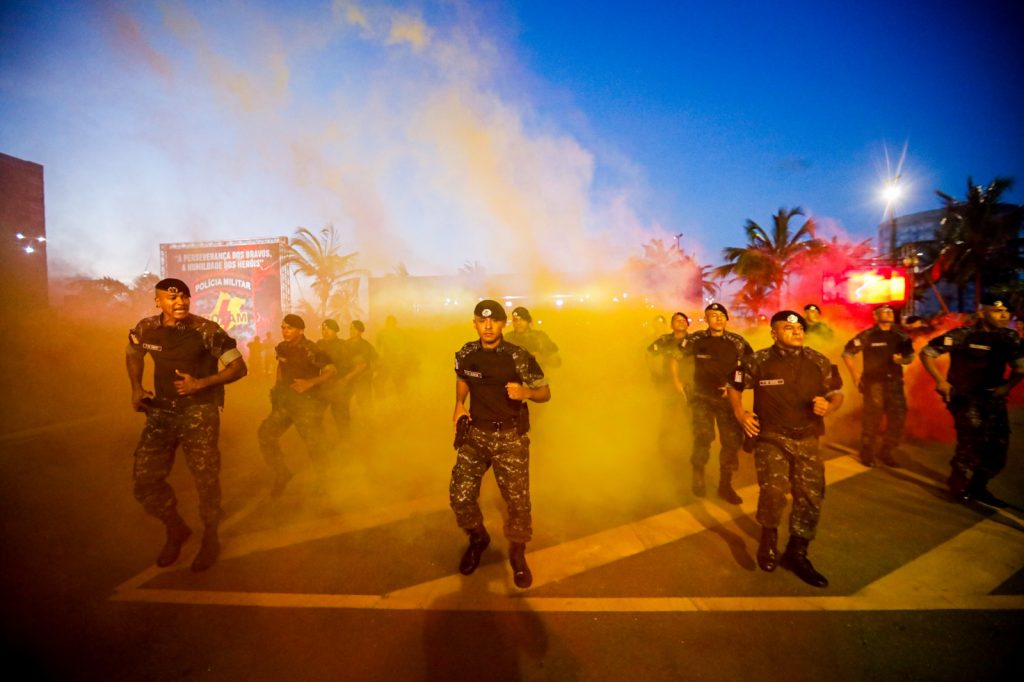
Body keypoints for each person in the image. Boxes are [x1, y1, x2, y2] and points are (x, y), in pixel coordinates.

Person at [126, 278, 247, 572]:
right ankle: (176, 528)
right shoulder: (145, 328)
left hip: (199, 412)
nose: (179, 303)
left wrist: (201, 383)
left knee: (205, 480)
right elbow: (133, 352)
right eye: (171, 298)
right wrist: (136, 387)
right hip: (162, 413)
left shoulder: (207, 331)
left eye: (183, 298)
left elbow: (239, 367)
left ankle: (211, 537)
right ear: (158, 302)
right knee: (144, 481)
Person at [728, 310, 844, 588]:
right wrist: (741, 414)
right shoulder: (757, 360)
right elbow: (734, 386)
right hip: (772, 436)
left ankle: (797, 552)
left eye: (800, 328)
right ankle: (768, 540)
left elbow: (837, 393)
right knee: (774, 490)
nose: (796, 331)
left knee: (811, 496)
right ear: (774, 333)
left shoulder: (818, 360)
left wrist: (829, 406)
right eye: (788, 327)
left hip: (808, 438)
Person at [450, 300, 550, 589]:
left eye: (494, 320)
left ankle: (518, 552)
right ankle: (478, 538)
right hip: (476, 436)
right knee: (460, 497)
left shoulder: (518, 356)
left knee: (518, 503)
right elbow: (463, 379)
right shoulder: (466, 353)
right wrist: (459, 404)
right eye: (482, 321)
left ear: (503, 324)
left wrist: (526, 392)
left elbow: (545, 392)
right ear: (475, 324)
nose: (488, 326)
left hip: (510, 438)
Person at [919, 295, 1024, 507]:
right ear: (982, 313)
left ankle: (979, 486)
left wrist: (1007, 386)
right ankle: (958, 485)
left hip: (993, 398)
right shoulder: (964, 334)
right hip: (965, 397)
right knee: (972, 441)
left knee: (998, 448)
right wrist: (941, 382)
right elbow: (927, 353)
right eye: (997, 310)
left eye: (1006, 311)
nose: (1004, 315)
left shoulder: (1010, 338)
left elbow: (1020, 366)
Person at [674, 303, 753, 503]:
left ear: (726, 319)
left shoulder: (737, 341)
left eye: (721, 315)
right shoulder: (695, 339)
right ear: (706, 320)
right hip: (701, 398)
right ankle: (698, 474)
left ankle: (725, 485)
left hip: (728, 399)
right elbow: (675, 358)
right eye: (713, 316)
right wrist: (678, 382)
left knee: (730, 442)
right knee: (703, 437)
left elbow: (750, 366)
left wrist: (734, 388)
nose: (717, 319)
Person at [257, 314, 336, 496]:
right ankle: (282, 472)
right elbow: (281, 367)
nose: (285, 331)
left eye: (289, 328)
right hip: (286, 402)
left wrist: (310, 382)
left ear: (300, 330)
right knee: (265, 434)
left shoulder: (311, 349)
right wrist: (277, 387)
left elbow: (331, 370)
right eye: (283, 327)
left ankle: (324, 481)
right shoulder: (282, 347)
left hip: (307, 405)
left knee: (315, 444)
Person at [841, 304, 915, 467]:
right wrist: (855, 376)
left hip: (895, 382)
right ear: (876, 316)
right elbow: (847, 353)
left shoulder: (900, 335)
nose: (889, 314)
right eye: (885, 311)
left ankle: (886, 451)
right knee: (872, 418)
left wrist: (902, 360)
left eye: (890, 311)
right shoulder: (868, 335)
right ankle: (866, 452)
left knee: (898, 418)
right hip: (873, 382)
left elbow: (910, 356)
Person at [646, 312, 690, 456]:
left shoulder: (694, 340)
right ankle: (663, 449)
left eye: (684, 320)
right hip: (669, 384)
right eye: (677, 320)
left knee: (691, 416)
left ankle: (690, 446)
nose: (681, 322)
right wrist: (654, 374)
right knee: (668, 416)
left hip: (690, 384)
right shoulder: (665, 340)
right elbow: (649, 354)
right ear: (671, 325)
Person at [317, 319, 367, 443]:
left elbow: (361, 365)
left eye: (329, 329)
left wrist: (345, 379)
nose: (325, 332)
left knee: (341, 418)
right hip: (323, 388)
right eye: (323, 329)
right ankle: (321, 444)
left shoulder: (344, 345)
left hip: (340, 389)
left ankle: (346, 445)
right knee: (314, 416)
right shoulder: (319, 345)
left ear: (335, 331)